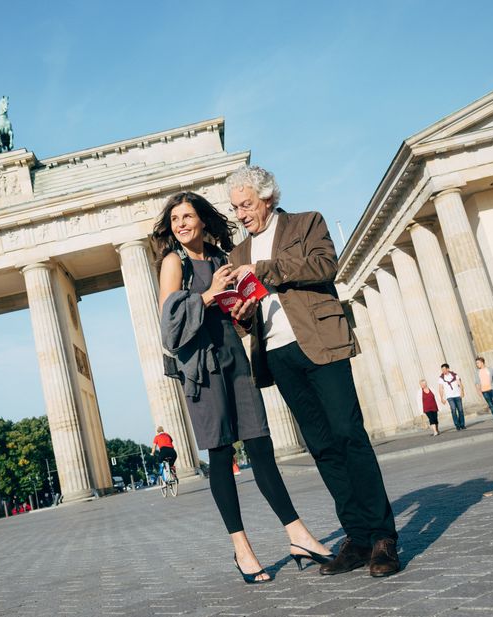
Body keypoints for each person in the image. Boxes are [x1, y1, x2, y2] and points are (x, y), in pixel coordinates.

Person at [224, 165, 400, 577]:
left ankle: (382, 537)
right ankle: (358, 537)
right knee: (321, 446)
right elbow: (243, 319)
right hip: (278, 354)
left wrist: (263, 270)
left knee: (349, 435)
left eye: (246, 205)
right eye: (235, 209)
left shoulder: (306, 223)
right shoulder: (236, 254)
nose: (241, 215)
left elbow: (324, 267)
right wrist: (241, 314)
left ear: (268, 197)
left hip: (321, 342)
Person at [156, 190, 333, 584]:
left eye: (187, 216)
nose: (181, 224)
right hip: (202, 367)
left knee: (261, 445)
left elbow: (236, 316)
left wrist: (243, 308)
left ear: (202, 220)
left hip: (235, 358)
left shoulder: (222, 258)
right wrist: (208, 294)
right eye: (175, 219)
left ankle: (298, 534)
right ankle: (242, 549)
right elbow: (169, 327)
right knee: (221, 453)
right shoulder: (173, 262)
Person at [438, 363, 466, 430]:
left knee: (460, 410)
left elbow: (460, 384)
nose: (443, 371)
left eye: (444, 369)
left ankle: (462, 424)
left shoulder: (455, 375)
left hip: (457, 395)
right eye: (442, 370)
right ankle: (457, 425)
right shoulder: (441, 378)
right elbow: (440, 388)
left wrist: (462, 392)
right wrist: (441, 398)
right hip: (449, 397)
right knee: (453, 410)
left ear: (448, 369)